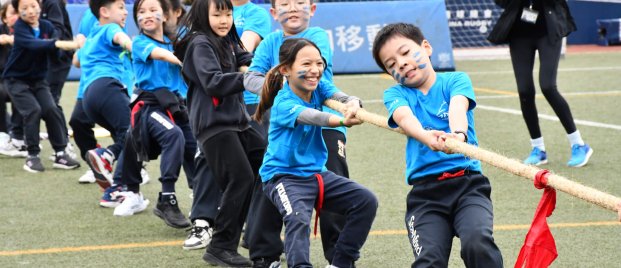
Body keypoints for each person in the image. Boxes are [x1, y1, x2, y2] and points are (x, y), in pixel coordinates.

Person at [372, 23, 504, 267]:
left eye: (405, 52)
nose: (400, 63)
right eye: (391, 64)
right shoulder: (395, 94)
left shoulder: (455, 80)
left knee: (478, 242)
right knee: (429, 260)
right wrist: (425, 137)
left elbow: (458, 106)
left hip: (469, 186)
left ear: (426, 47)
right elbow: (404, 118)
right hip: (425, 196)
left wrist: (458, 135)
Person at [254, 37, 377, 268]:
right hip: (282, 177)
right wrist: (341, 120)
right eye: (306, 64)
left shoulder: (319, 87)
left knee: (365, 201)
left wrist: (354, 103)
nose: (315, 70)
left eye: (319, 63)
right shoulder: (283, 102)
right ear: (286, 70)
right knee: (298, 219)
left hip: (316, 174)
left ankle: (340, 263)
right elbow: (310, 117)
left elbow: (343, 97)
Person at [242, 0, 348, 266]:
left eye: (299, 2)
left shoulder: (316, 37)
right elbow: (250, 78)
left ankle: (338, 257)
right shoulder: (269, 43)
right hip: (286, 129)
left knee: (333, 187)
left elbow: (312, 76)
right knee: (270, 180)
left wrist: (281, 80)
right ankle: (264, 255)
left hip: (326, 125)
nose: (292, 8)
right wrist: (281, 89)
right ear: (273, 12)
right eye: (284, 3)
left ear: (311, 9)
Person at [175, 0, 265, 266]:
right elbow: (213, 82)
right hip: (214, 125)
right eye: (218, 14)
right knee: (240, 179)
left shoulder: (227, 40)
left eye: (228, 14)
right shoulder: (200, 43)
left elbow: (246, 59)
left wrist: (271, 70)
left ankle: (259, 233)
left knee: (265, 162)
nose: (224, 20)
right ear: (204, 14)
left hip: (237, 122)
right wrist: (248, 79)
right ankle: (221, 246)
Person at [111, 0, 194, 230]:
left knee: (195, 149)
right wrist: (184, 59)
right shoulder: (139, 43)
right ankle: (166, 198)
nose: (147, 14)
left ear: (166, 16)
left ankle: (202, 202)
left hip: (178, 107)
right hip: (150, 109)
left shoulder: (177, 40)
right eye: (141, 11)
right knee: (173, 135)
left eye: (153, 10)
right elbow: (163, 56)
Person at [488, 0, 593, 167]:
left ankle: (579, 145)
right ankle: (538, 149)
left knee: (548, 86)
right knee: (524, 92)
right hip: (519, 34)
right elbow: (502, 2)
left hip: (548, 31)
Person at [2, 0, 80, 172]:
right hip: (16, 80)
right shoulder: (20, 28)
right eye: (24, 8)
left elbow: (54, 53)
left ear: (40, 6)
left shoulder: (46, 26)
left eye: (33, 6)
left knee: (51, 109)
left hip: (38, 80)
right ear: (18, 11)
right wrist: (60, 44)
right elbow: (33, 45)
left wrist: (70, 47)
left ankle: (60, 153)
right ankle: (32, 156)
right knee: (33, 110)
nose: (30, 11)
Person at [73, 0, 134, 189]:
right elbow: (121, 39)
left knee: (124, 135)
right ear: (104, 12)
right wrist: (137, 48)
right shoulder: (111, 29)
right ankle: (105, 157)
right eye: (121, 8)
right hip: (107, 88)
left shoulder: (92, 36)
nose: (126, 13)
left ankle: (116, 186)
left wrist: (81, 45)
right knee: (134, 133)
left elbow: (76, 61)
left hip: (90, 98)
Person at [0, 0, 19, 155]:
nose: (16, 17)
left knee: (25, 91)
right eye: (12, 14)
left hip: (21, 79)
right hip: (2, 80)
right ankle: (3, 134)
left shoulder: (28, 32)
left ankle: (19, 136)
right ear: (4, 18)